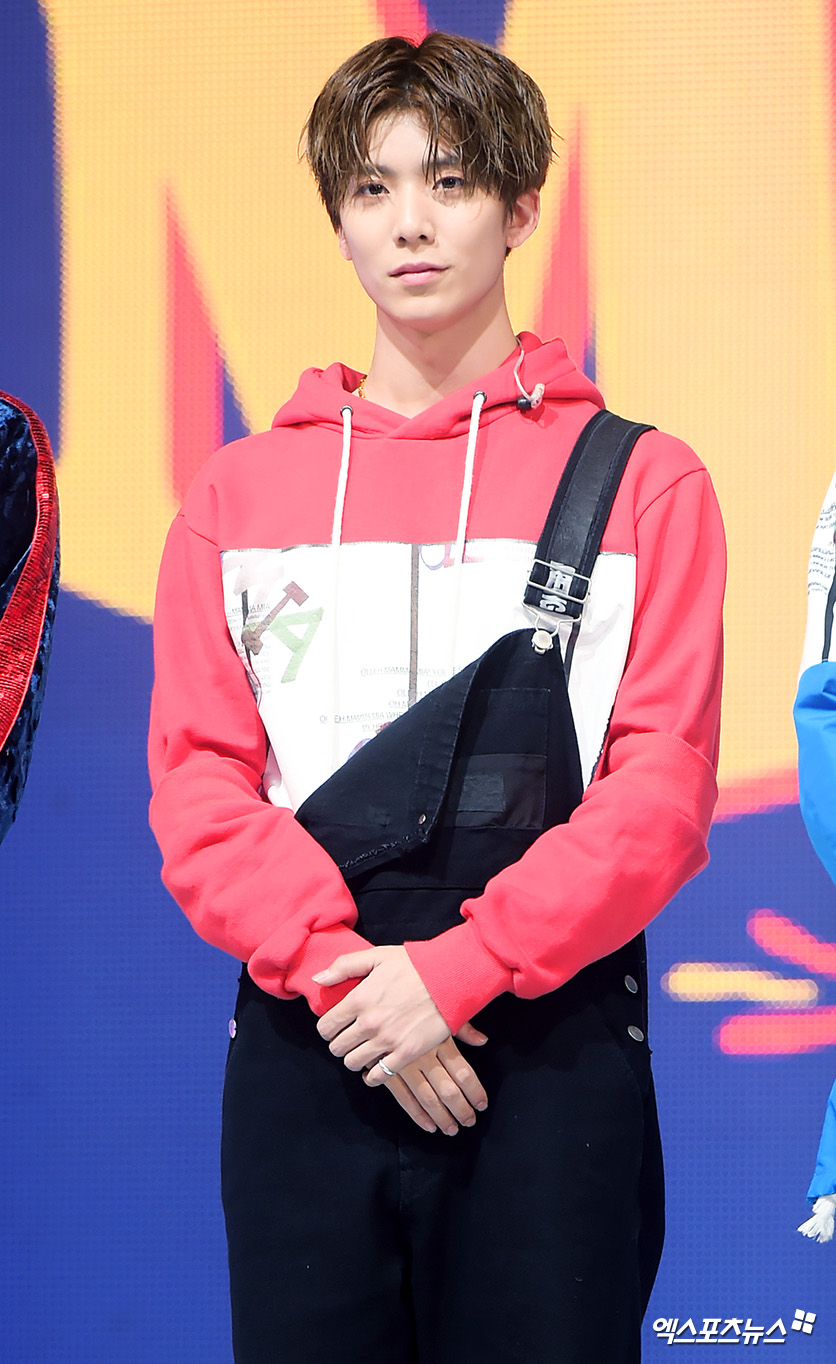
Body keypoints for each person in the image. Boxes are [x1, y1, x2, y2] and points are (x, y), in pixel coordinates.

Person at [148, 32, 725, 1364]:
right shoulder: (235, 496)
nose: (410, 222)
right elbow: (197, 783)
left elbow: (660, 789)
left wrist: (457, 973)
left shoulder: (646, 482)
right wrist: (353, 984)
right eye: (374, 188)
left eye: (450, 181)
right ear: (338, 221)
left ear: (520, 209)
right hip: (312, 1044)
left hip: (549, 1051)